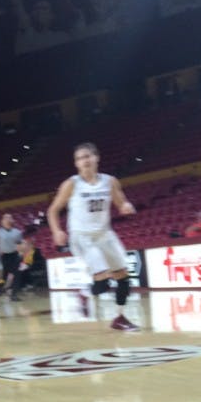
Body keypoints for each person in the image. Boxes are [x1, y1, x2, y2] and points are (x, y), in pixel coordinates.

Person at [47, 142, 140, 332]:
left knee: (123, 277)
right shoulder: (71, 184)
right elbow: (53, 210)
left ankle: (119, 318)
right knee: (103, 279)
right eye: (80, 158)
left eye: (88, 156)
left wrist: (126, 207)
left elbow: (121, 202)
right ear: (76, 164)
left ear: (96, 158)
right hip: (81, 236)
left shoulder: (110, 181)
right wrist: (57, 231)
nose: (85, 161)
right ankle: (84, 293)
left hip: (104, 234)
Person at [0, 212, 24, 300]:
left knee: (17, 275)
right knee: (2, 276)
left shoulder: (17, 232)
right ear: (2, 221)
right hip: (3, 256)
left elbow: (19, 244)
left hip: (14, 255)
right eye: (5, 218)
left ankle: (14, 295)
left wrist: (20, 255)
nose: (8, 219)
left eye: (9, 218)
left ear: (12, 220)